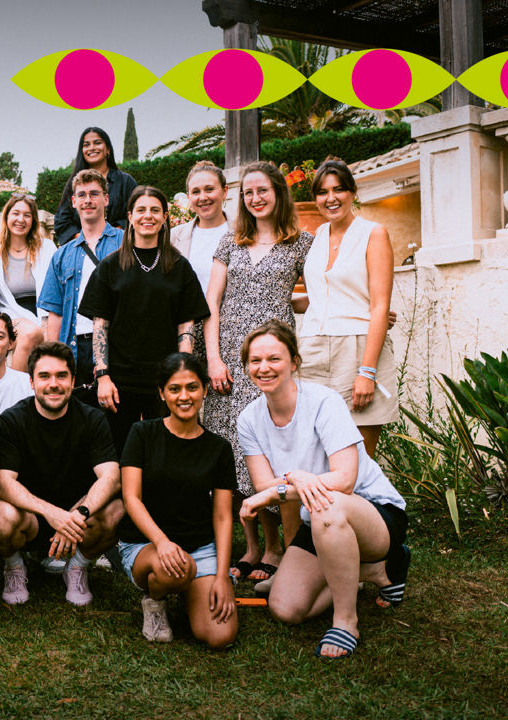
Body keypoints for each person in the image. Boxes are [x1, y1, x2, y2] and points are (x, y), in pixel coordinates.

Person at [236, 320, 409, 659]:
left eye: (274, 358)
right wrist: (295, 481)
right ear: (247, 367)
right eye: (255, 361)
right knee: (285, 608)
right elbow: (262, 485)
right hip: (320, 522)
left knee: (327, 505)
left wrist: (291, 482)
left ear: (294, 362)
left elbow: (343, 479)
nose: (264, 367)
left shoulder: (324, 402)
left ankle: (346, 621)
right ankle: (373, 570)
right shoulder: (249, 419)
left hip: (372, 512)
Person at [203, 161, 315, 587]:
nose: (255, 198)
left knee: (268, 454)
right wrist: (214, 358)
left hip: (271, 360)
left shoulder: (301, 243)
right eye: (248, 192)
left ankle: (276, 546)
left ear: (278, 193)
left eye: (262, 190)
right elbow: (211, 302)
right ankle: (250, 545)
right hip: (230, 359)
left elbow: (318, 293)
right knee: (232, 453)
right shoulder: (230, 241)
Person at [0, 341, 121, 606]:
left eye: (61, 376)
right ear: (32, 382)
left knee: (117, 511)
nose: (53, 383)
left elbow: (111, 476)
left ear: (72, 381)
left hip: (78, 519)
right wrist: (51, 513)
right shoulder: (13, 420)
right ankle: (14, 567)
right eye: (44, 376)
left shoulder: (92, 419)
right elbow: (2, 482)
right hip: (31, 519)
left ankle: (77, 566)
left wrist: (76, 516)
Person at [117, 352, 238, 647]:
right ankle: (156, 600)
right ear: (162, 393)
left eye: (192, 387)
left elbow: (223, 517)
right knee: (177, 568)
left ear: (205, 390)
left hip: (199, 547)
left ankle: (192, 589)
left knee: (220, 636)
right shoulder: (143, 433)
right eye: (174, 389)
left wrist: (222, 576)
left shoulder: (219, 448)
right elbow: (131, 498)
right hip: (147, 545)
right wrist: (162, 542)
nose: (184, 396)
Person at [80, 186, 209, 452]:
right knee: (118, 453)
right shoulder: (110, 266)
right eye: (141, 210)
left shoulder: (179, 266)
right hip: (118, 382)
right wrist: (102, 376)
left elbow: (186, 325)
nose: (147, 216)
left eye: (154, 210)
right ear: (129, 216)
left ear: (164, 217)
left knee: (166, 452)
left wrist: (182, 374)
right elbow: (100, 325)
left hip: (164, 382)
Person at [297, 158, 397, 454]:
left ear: (353, 192)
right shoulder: (316, 239)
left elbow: (380, 306)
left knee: (359, 459)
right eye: (322, 192)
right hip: (311, 349)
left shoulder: (373, 233)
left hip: (357, 350)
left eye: (339, 189)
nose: (331, 198)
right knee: (314, 453)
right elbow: (319, 298)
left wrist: (367, 372)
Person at [38, 170, 124, 390]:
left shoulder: (125, 243)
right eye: (82, 195)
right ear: (74, 202)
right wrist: (53, 358)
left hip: (117, 346)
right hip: (76, 348)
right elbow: (54, 313)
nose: (88, 200)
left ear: (106, 199)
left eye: (94, 194)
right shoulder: (61, 255)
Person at [0, 192, 54, 372]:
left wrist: (48, 323)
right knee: (31, 333)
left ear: (33, 220)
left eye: (27, 215)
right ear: (7, 216)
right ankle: (16, 392)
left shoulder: (47, 248)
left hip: (45, 312)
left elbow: (56, 288)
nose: (21, 219)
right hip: (12, 313)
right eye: (16, 213)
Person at [169, 161, 232, 362]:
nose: (203, 197)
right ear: (189, 197)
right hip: (187, 334)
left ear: (225, 191)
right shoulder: (173, 238)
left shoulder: (242, 233)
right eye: (196, 192)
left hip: (231, 330)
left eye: (210, 189)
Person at [52, 128, 138, 246]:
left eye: (97, 143)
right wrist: (87, 241)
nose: (92, 147)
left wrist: (110, 238)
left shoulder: (126, 181)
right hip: (84, 251)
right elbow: (62, 221)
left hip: (120, 248)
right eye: (86, 145)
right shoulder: (73, 184)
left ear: (108, 149)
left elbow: (136, 214)